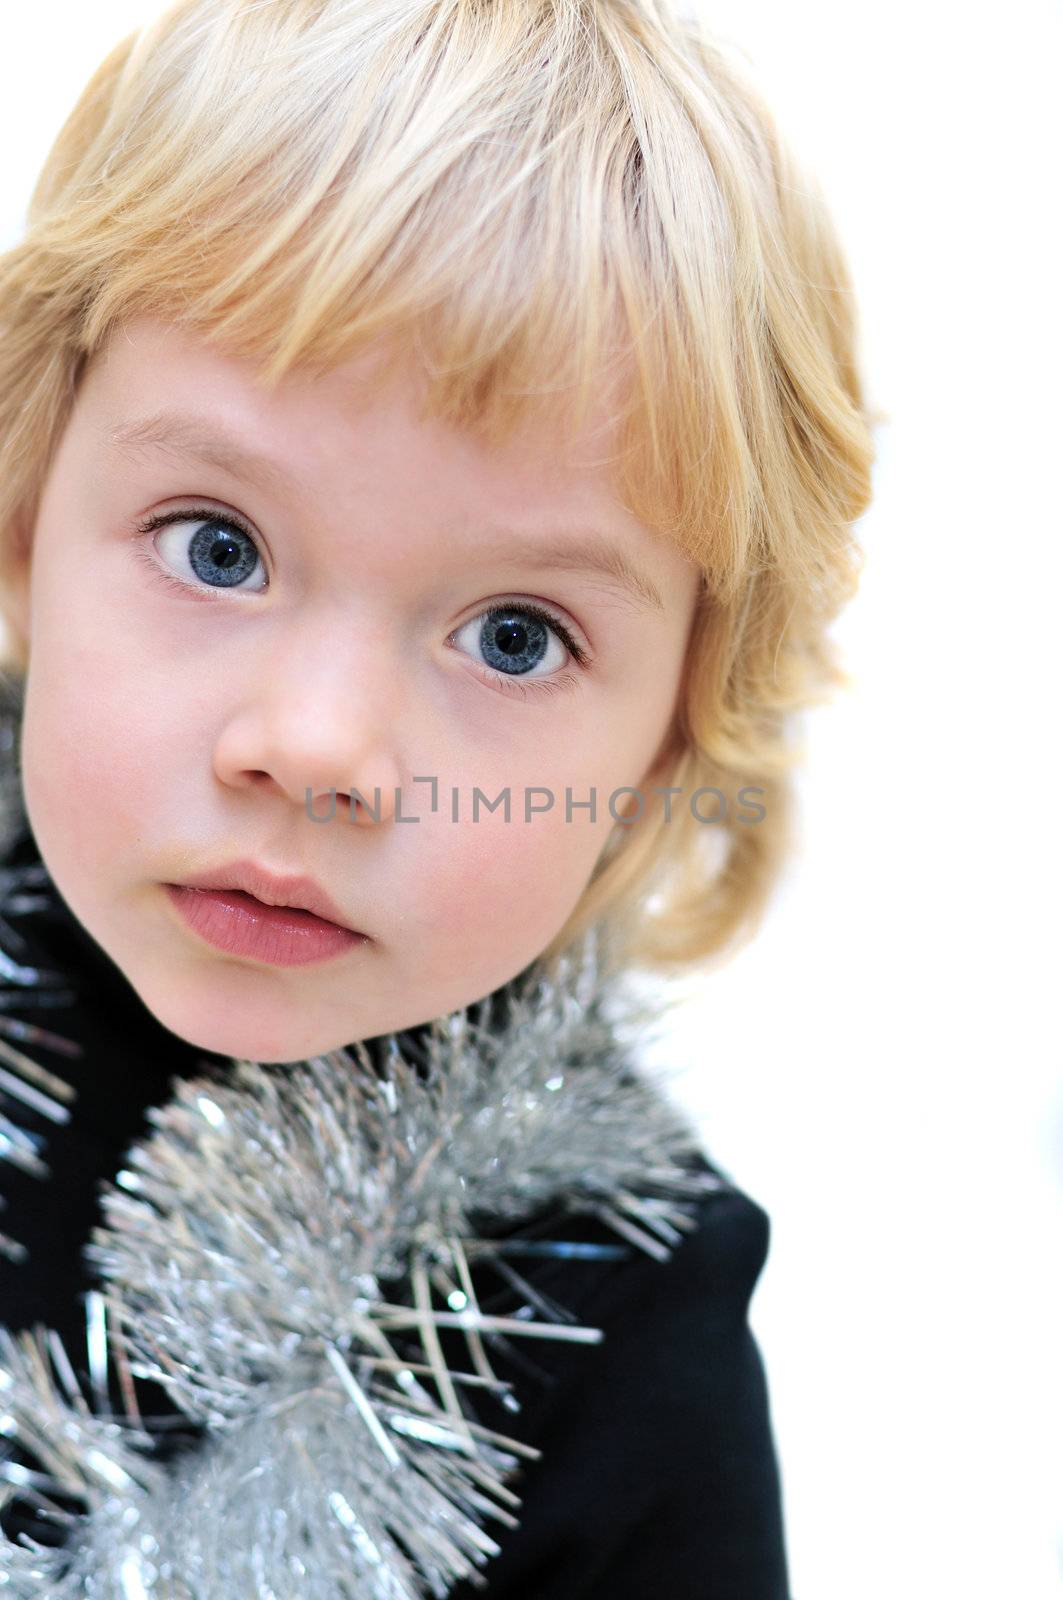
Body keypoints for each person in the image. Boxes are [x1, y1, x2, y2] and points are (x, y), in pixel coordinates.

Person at [0, 0, 874, 1593]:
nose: (319, 748)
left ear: (670, 737)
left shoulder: (612, 1336)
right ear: (24, 515)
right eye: (219, 544)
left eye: (515, 636)